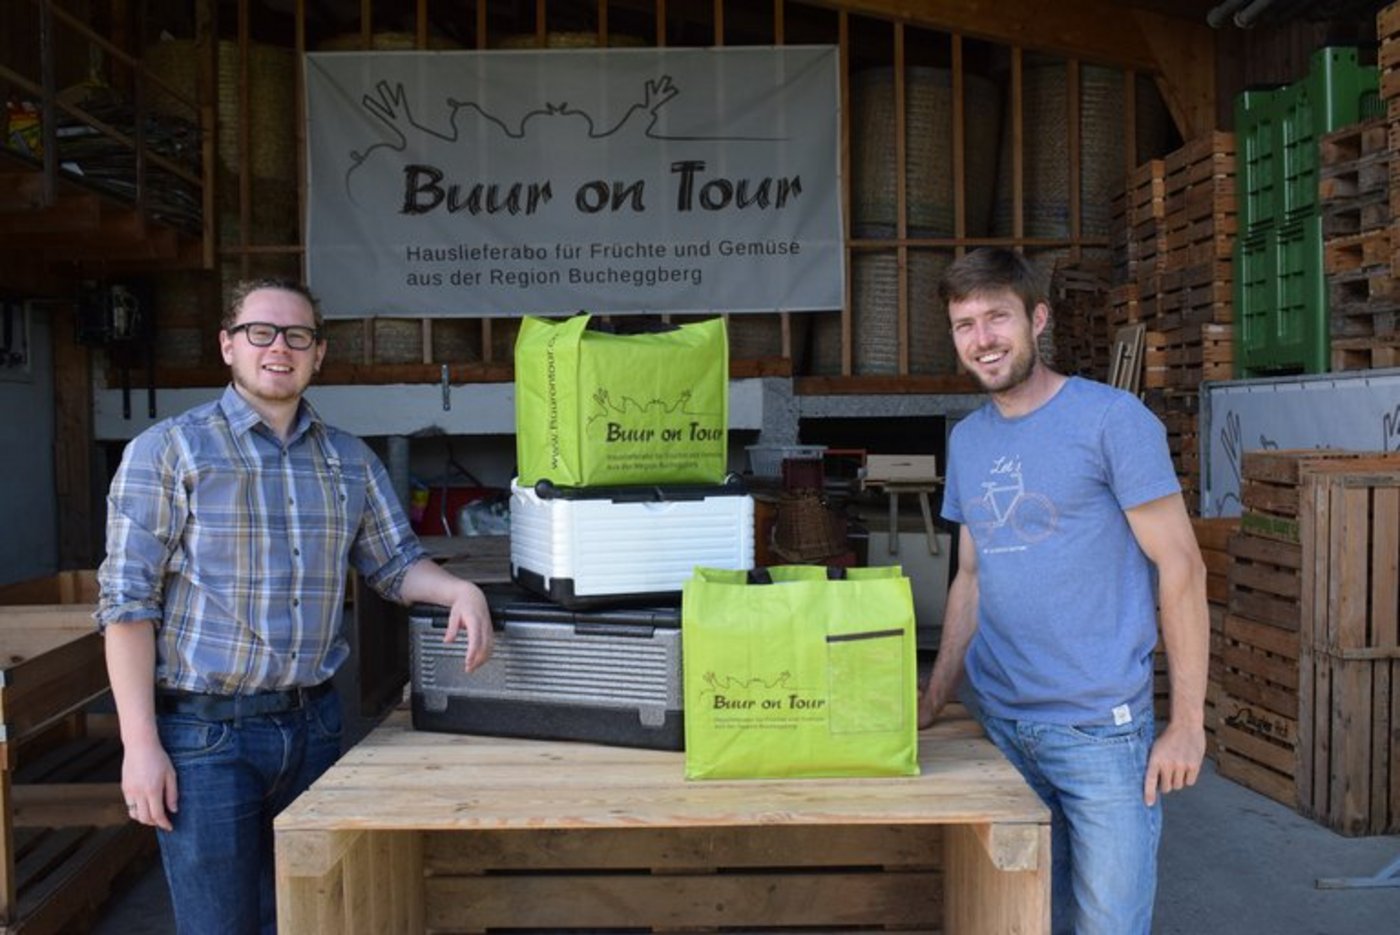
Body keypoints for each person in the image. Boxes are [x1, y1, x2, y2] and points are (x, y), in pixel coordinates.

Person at [96, 278, 494, 935]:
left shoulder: (349, 461)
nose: (279, 346)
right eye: (261, 331)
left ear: (319, 353)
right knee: (220, 925)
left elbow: (393, 564)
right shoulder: (168, 453)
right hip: (205, 737)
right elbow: (127, 605)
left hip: (315, 726)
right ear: (228, 345)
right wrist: (139, 745)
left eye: (297, 335)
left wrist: (459, 589)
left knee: (315, 916)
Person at [920, 248, 1208, 935]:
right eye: (965, 324)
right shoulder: (967, 441)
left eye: (997, 317)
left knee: (1110, 925)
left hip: (1097, 732)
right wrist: (934, 697)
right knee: (1023, 921)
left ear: (1037, 319)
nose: (982, 338)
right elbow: (972, 575)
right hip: (1000, 726)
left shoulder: (1112, 419)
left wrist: (1189, 724)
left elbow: (1184, 568)